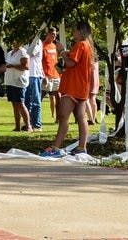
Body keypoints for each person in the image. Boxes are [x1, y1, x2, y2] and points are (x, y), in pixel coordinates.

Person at [41, 22, 94, 158]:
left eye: (75, 30)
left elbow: (71, 62)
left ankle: (56, 147)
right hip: (81, 86)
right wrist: (63, 67)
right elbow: (74, 66)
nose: (73, 33)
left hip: (73, 87)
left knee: (63, 117)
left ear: (81, 32)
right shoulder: (87, 46)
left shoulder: (80, 45)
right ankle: (82, 147)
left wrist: (62, 51)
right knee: (81, 118)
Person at [5, 39, 32, 132]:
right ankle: (17, 127)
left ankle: (28, 126)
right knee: (14, 104)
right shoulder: (9, 53)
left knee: (20, 104)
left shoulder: (23, 52)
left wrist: (12, 66)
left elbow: (26, 67)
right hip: (10, 81)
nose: (14, 41)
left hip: (19, 81)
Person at [25, 33, 44, 130]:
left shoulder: (38, 42)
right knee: (27, 101)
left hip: (35, 75)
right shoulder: (25, 44)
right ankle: (28, 123)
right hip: (26, 75)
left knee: (35, 101)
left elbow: (29, 53)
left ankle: (37, 124)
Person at [42, 27, 61, 119]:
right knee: (40, 95)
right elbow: (40, 62)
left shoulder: (54, 46)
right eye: (53, 34)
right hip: (46, 75)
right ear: (48, 34)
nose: (54, 36)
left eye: (55, 34)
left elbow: (55, 61)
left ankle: (58, 118)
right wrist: (43, 75)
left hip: (56, 75)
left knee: (58, 97)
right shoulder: (42, 45)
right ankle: (34, 117)